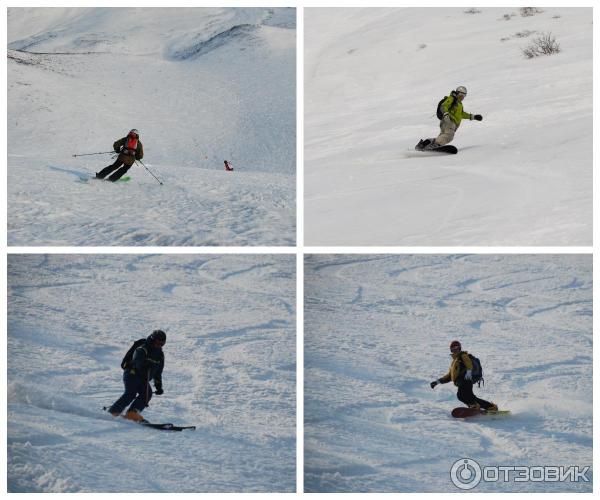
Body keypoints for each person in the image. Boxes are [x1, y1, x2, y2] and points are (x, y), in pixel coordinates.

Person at [108, 330, 166, 421]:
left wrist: (159, 386)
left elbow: (158, 373)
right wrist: (144, 365)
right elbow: (137, 361)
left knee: (147, 394)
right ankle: (113, 412)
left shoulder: (160, 355)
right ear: (152, 340)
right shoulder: (143, 348)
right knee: (130, 393)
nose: (159, 346)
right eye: (157, 343)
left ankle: (132, 413)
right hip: (132, 374)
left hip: (143, 378)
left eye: (162, 344)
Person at [430, 340, 497, 411]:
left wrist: (469, 371)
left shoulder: (462, 355)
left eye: (457, 347)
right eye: (453, 348)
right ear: (451, 350)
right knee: (470, 397)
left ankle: (475, 406)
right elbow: (449, 376)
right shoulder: (454, 362)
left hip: (465, 379)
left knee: (461, 396)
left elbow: (468, 363)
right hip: (462, 381)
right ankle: (489, 407)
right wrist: (437, 382)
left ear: (459, 348)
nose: (455, 349)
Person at [416, 86, 483, 150]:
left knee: (443, 136)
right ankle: (435, 145)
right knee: (448, 136)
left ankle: (425, 143)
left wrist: (473, 117)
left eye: (464, 95)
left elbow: (461, 114)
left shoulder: (459, 103)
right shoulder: (452, 98)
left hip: (448, 122)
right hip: (449, 121)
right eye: (461, 94)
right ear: (457, 93)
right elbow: (443, 106)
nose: (462, 97)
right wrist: (446, 115)